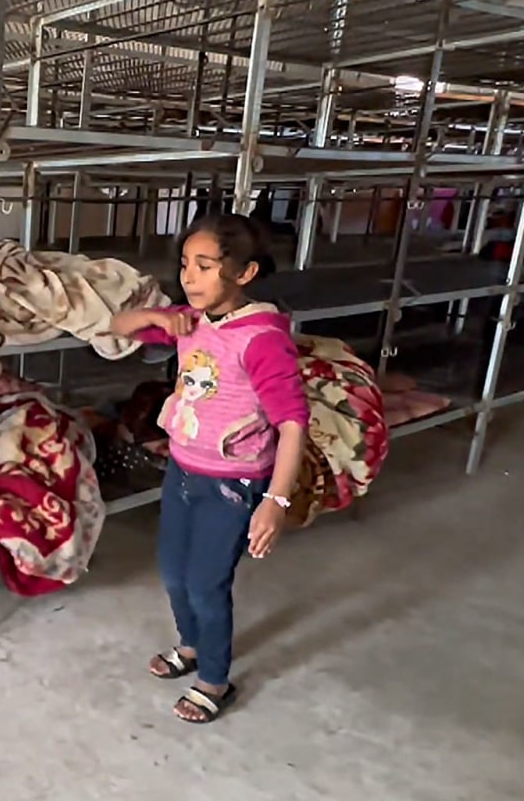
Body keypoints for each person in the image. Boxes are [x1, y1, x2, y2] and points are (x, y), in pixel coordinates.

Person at [109, 213, 309, 724]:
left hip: (235, 484)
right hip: (182, 469)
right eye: (184, 265)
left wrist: (275, 502)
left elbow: (291, 424)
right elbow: (116, 327)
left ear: (244, 273)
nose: (189, 277)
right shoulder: (192, 318)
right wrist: (157, 318)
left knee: (205, 584)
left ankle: (215, 678)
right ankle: (191, 646)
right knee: (174, 573)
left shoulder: (261, 338)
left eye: (204, 266)